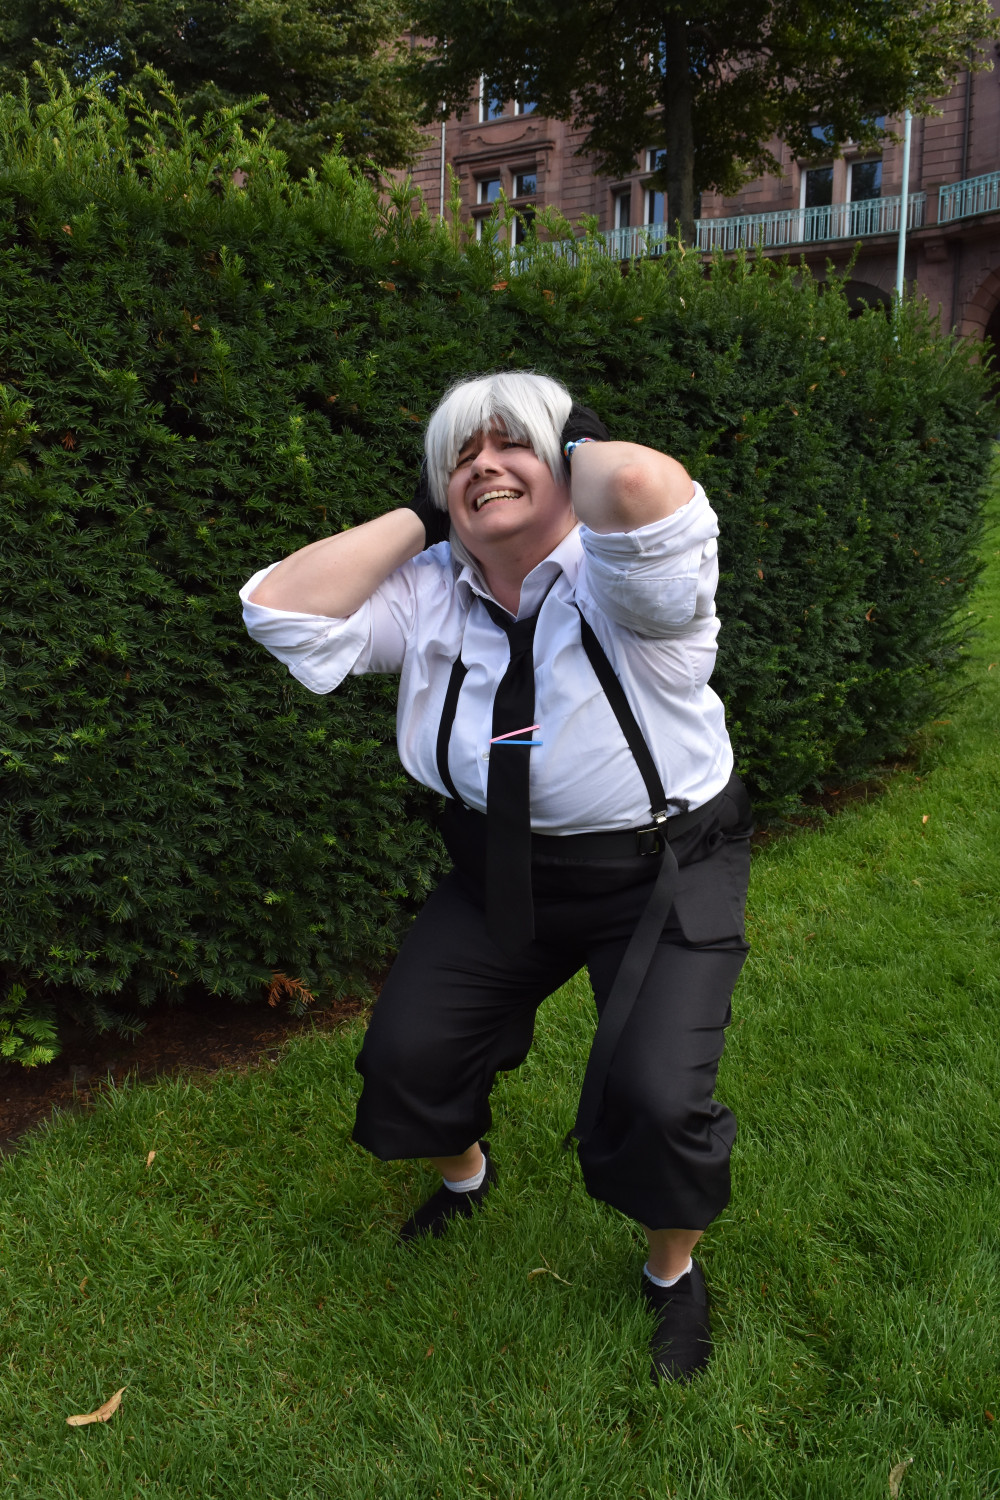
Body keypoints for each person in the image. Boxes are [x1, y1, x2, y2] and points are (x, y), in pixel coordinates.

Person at [240, 371, 752, 1384]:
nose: (484, 465)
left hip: (659, 869)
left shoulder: (627, 579)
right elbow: (280, 610)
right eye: (460, 456)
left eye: (514, 443)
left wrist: (568, 448)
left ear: (569, 463)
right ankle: (466, 1177)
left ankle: (671, 1273)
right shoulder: (430, 587)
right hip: (496, 869)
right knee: (407, 1057)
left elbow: (641, 488)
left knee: (656, 1095)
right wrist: (424, 514)